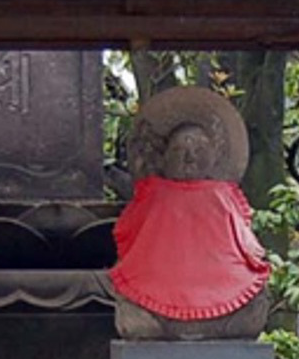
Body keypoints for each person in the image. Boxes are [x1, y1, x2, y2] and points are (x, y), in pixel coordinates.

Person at [109, 86, 271, 341]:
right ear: (162, 159)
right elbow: (129, 235)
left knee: (252, 309)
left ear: (216, 157)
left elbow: (247, 246)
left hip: (225, 289)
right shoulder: (152, 194)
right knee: (135, 319)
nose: (189, 158)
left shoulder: (223, 195)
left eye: (199, 151)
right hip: (155, 291)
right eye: (178, 151)